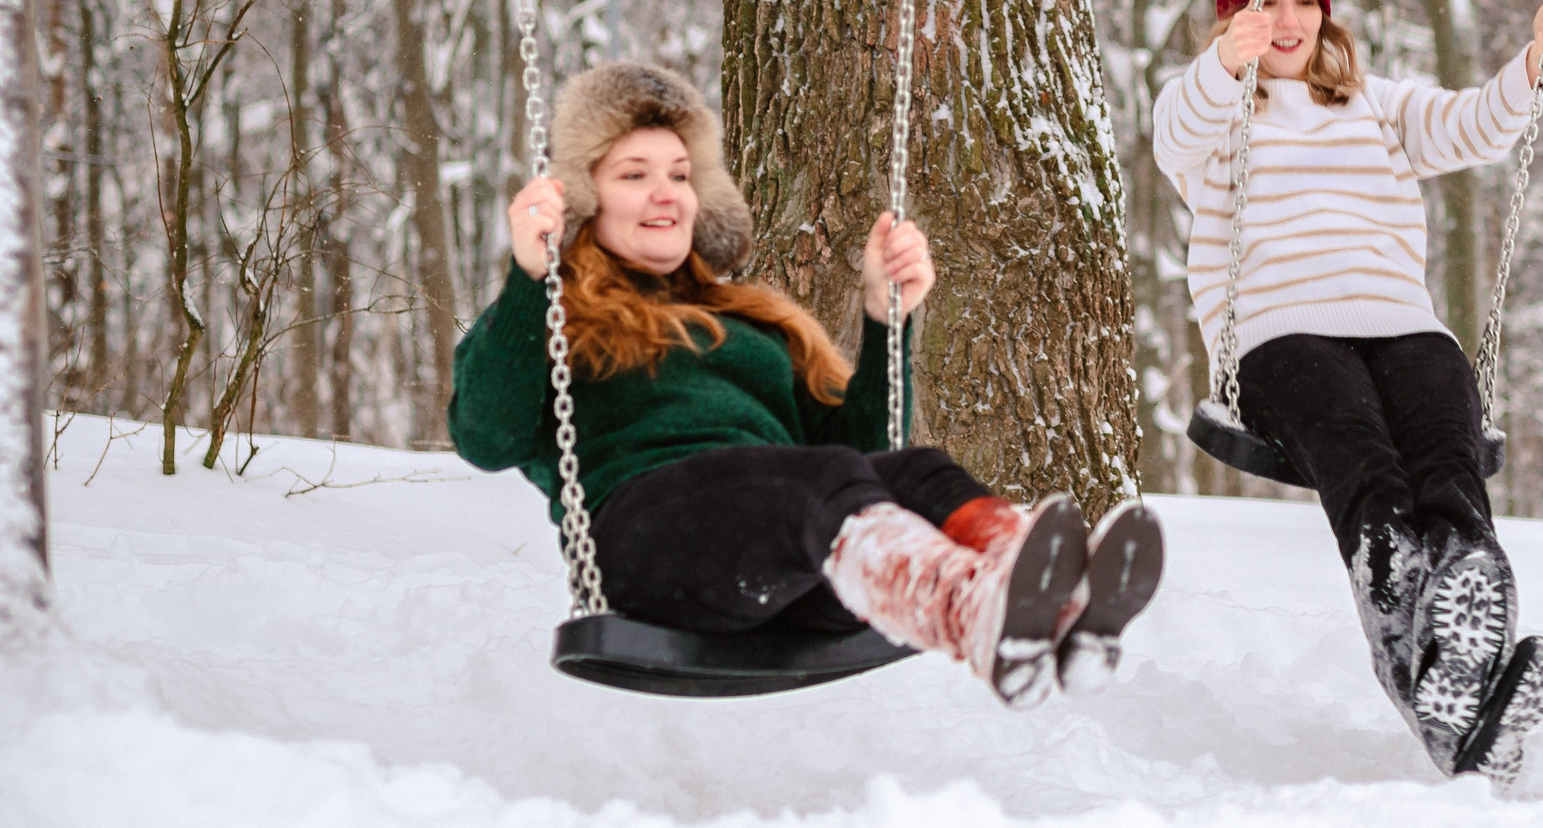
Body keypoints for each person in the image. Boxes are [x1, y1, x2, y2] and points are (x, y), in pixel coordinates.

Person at [450, 62, 1158, 707]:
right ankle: (970, 611)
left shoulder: (752, 323)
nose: (665, 194)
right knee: (807, 482)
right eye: (634, 175)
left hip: (782, 556)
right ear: (584, 199)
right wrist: (531, 278)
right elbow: (486, 434)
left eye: (680, 174)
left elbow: (862, 456)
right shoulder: (555, 315)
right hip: (651, 545)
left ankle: (1050, 605)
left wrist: (887, 319)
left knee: (915, 471)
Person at [1152, 0, 1543, 782]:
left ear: (1324, 15)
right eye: (1266, 2)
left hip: (1399, 320)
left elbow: (1474, 125)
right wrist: (1222, 66)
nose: (1287, 18)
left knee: (1445, 456)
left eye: (1303, 2)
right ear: (1234, 14)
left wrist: (1535, 58)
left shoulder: (1373, 101)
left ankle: (1468, 608)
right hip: (1279, 331)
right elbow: (1174, 134)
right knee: (1368, 466)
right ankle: (1414, 645)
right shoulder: (1211, 105)